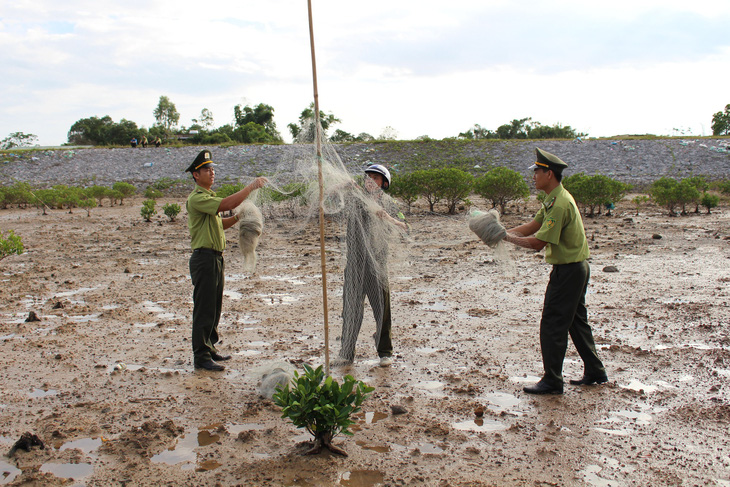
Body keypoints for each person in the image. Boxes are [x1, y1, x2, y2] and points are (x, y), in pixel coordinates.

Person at [503, 148, 607, 394]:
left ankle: (552, 380)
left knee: (552, 324)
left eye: (537, 171)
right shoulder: (553, 199)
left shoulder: (560, 204)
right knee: (576, 323)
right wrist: (499, 231)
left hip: (569, 272)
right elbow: (532, 226)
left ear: (549, 174)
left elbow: (539, 242)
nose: (534, 176)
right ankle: (595, 370)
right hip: (576, 269)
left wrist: (505, 238)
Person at [185, 149, 268, 371]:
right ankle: (201, 357)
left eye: (212, 169)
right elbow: (224, 205)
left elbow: (219, 224)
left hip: (215, 258)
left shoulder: (208, 198)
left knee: (214, 307)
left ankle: (210, 348)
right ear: (195, 175)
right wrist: (250, 188)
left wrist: (239, 217)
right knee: (204, 309)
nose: (211, 173)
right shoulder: (197, 198)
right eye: (206, 170)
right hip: (204, 259)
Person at [335, 164, 408, 367]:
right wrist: (342, 185)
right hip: (355, 266)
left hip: (376, 265)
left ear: (384, 183)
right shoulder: (355, 198)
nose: (370, 181)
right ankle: (346, 353)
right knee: (350, 310)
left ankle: (384, 351)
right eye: (368, 177)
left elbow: (406, 227)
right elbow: (330, 199)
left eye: (375, 178)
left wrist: (387, 217)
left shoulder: (389, 203)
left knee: (382, 310)